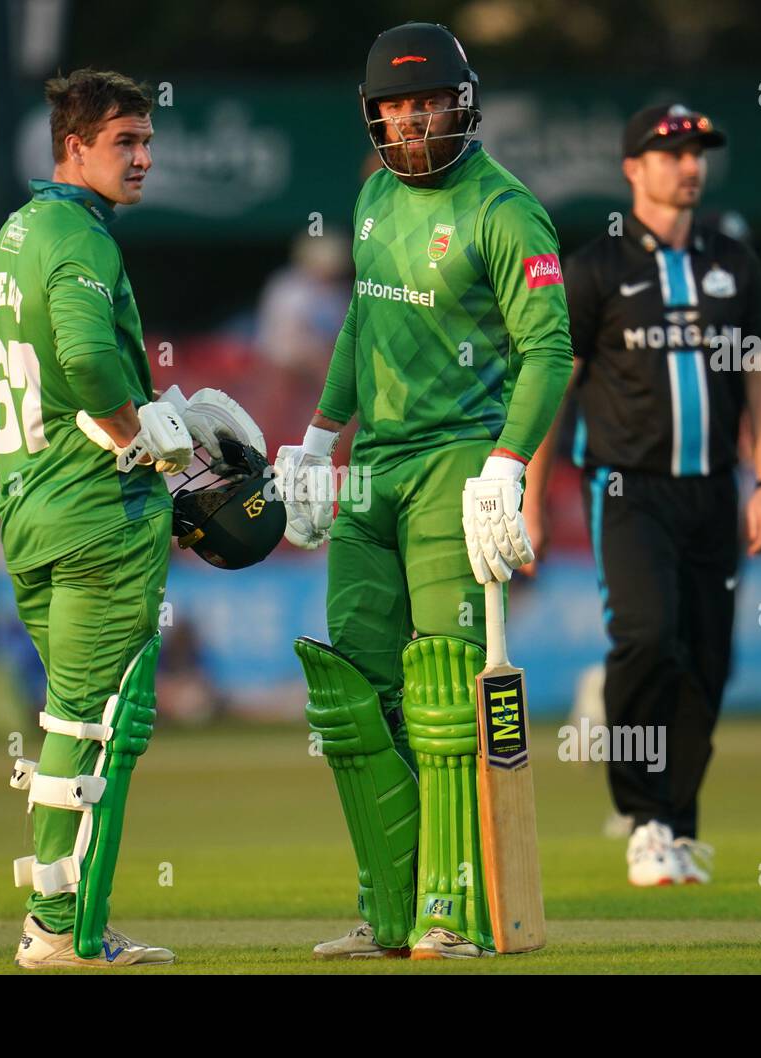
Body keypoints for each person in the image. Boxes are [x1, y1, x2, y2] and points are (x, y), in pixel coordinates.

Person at [276, 22, 573, 959]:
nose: (410, 122)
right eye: (395, 107)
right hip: (376, 466)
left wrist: (508, 462)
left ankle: (453, 909)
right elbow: (363, 327)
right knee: (356, 694)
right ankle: (390, 910)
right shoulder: (370, 200)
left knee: (446, 691)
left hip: (458, 460)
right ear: (375, 115)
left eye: (427, 102)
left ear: (461, 102)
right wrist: (323, 437)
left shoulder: (505, 209)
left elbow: (550, 349)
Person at [0, 69, 264, 969]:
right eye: (124, 143)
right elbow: (80, 360)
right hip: (98, 515)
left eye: (148, 141)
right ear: (74, 146)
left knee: (71, 722)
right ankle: (74, 935)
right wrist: (157, 446)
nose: (143, 159)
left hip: (30, 512)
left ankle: (49, 919)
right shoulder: (79, 239)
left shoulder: (17, 232)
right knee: (106, 725)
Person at [526, 103, 761, 887]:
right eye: (670, 152)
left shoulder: (735, 263)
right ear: (632, 168)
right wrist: (530, 501)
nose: (689, 165)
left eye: (697, 152)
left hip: (714, 491)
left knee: (708, 663)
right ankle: (641, 818)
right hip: (627, 490)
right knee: (646, 637)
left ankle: (675, 824)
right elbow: (550, 389)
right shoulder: (596, 267)